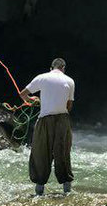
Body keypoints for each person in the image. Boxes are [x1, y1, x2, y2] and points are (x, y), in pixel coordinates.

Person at [21, 58, 75, 196]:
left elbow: (23, 94)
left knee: (40, 153)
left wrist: (32, 101)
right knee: (62, 153)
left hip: (45, 120)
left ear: (51, 68)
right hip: (63, 120)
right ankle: (67, 191)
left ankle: (39, 192)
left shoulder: (42, 78)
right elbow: (69, 106)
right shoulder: (70, 81)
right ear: (63, 68)